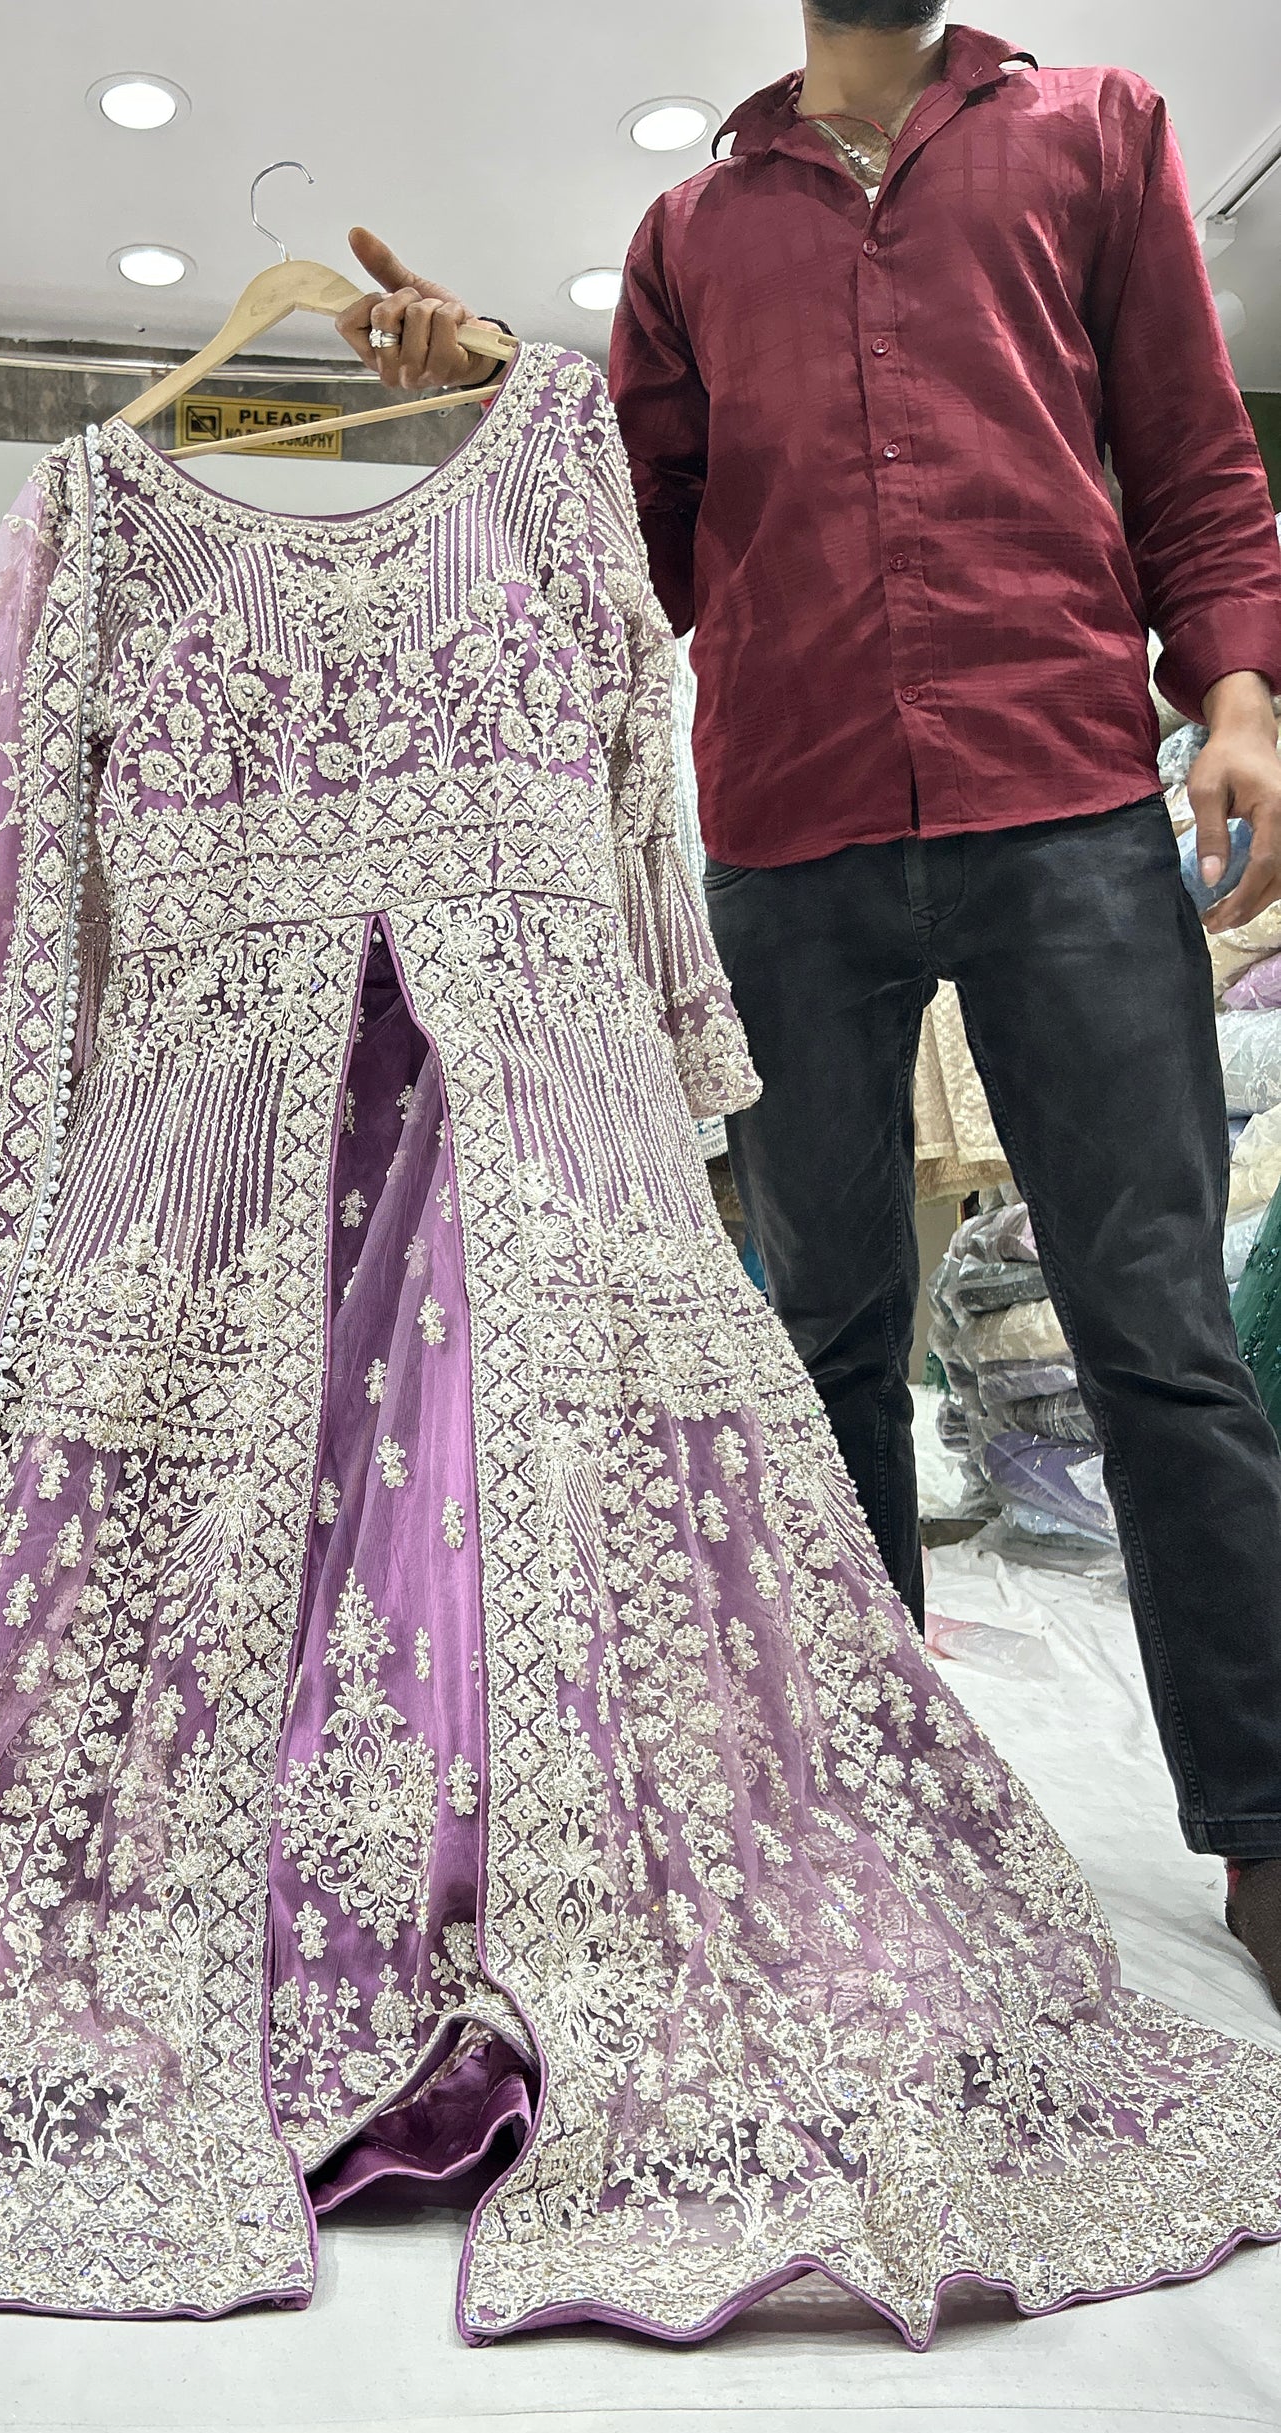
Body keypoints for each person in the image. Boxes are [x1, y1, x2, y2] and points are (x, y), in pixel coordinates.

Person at [339, 7, 1281, 2009]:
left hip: (1063, 798)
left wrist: (1239, 697)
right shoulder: (691, 232)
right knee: (821, 1340)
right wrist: (502, 389)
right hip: (787, 831)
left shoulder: (1090, 133)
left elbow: (1192, 451)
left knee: (1160, 1334)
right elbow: (641, 557)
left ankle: (1270, 1828)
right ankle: (856, 1818)